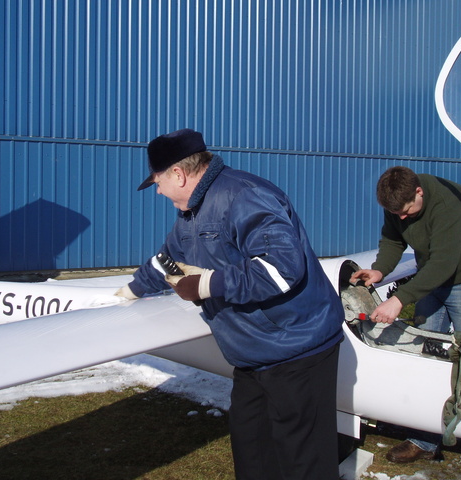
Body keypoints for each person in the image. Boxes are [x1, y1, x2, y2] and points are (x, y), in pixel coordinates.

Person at [116, 128, 345, 480]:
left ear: (178, 174)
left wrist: (206, 284)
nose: (158, 191)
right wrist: (131, 291)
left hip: (296, 350)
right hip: (252, 354)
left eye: (159, 182)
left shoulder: (244, 196)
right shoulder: (191, 213)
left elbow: (281, 269)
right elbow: (169, 260)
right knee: (253, 452)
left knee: (302, 461)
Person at [350, 166, 461, 473]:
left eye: (406, 211)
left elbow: (444, 262)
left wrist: (399, 299)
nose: (401, 217)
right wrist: (379, 271)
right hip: (431, 279)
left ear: (419, 192)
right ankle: (424, 438)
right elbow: (392, 241)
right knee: (425, 356)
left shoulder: (448, 203)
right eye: (394, 213)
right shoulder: (398, 202)